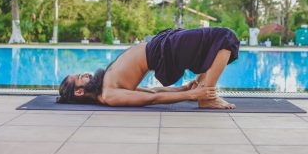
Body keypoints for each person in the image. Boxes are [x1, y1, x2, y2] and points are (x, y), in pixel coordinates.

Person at [57, 27, 240, 109]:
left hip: (162, 47)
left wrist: (184, 88)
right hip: (164, 51)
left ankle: (204, 93)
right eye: (80, 77)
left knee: (210, 48)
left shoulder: (106, 87)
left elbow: (151, 91)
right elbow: (152, 99)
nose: (85, 74)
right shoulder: (109, 95)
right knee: (225, 37)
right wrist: (192, 95)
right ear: (79, 92)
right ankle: (207, 97)